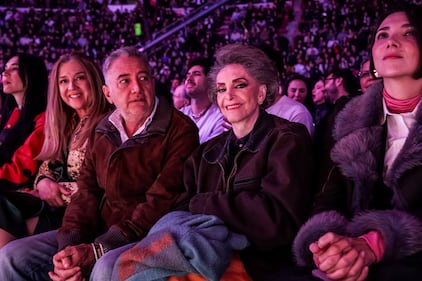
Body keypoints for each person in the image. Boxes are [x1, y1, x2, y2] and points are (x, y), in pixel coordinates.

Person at [106, 44, 315, 281]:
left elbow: (276, 218)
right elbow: (181, 210)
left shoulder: (287, 137)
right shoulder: (207, 151)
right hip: (202, 253)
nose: (229, 96)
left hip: (260, 263)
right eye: (222, 89)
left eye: (240, 85)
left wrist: (206, 203)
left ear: (261, 93)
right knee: (112, 267)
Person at [0, 46, 199, 280]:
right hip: (95, 231)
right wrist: (69, 245)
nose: (137, 88)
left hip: (143, 234)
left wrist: (97, 248)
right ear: (108, 93)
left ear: (153, 83)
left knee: (103, 269)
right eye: (124, 81)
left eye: (143, 77)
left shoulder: (180, 130)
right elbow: (87, 192)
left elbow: (159, 202)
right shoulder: (103, 128)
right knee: (11, 257)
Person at [293, 4, 422, 281]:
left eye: (409, 33)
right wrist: (324, 246)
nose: (391, 42)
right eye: (382, 35)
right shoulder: (346, 117)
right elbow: (326, 197)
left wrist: (373, 244)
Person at [0, 53, 113, 248]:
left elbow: (106, 186)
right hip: (55, 206)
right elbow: (46, 165)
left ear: (94, 79)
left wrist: (57, 191)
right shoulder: (67, 124)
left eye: (79, 77)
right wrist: (44, 181)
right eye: (64, 81)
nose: (71, 87)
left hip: (86, 215)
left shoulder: (110, 123)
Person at [0, 53, 47, 190]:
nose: (5, 72)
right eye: (5, 67)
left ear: (32, 75)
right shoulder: (12, 114)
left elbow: (19, 172)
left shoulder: (42, 120)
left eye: (14, 68)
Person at [181, 57, 227, 143]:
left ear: (210, 81)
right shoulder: (180, 114)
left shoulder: (220, 117)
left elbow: (209, 153)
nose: (189, 79)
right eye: (187, 75)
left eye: (196, 74)